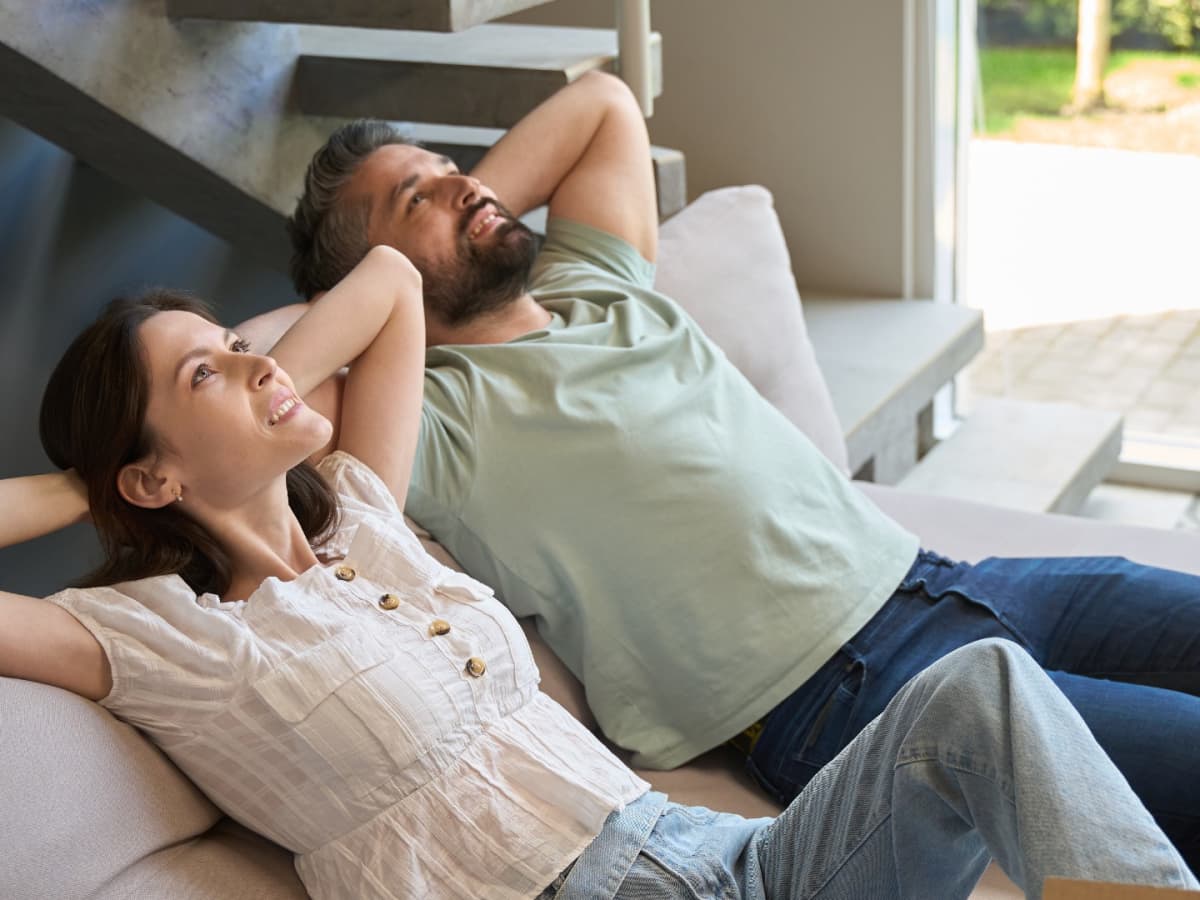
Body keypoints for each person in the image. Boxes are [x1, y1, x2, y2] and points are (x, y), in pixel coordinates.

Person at [0, 246, 1196, 900]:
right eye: (206, 375)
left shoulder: (366, 511)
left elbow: (392, 285)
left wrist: (243, 381)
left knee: (982, 690)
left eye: (237, 343)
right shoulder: (165, 640)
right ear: (148, 480)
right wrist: (84, 488)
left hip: (742, 866)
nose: (260, 366)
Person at [250, 69, 1200, 869]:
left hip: (952, 584)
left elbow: (605, 103)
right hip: (854, 696)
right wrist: (392, 281)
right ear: (366, 289)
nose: (468, 190)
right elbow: (249, 392)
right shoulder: (431, 419)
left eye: (456, 173)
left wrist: (450, 200)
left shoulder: (594, 284)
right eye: (416, 199)